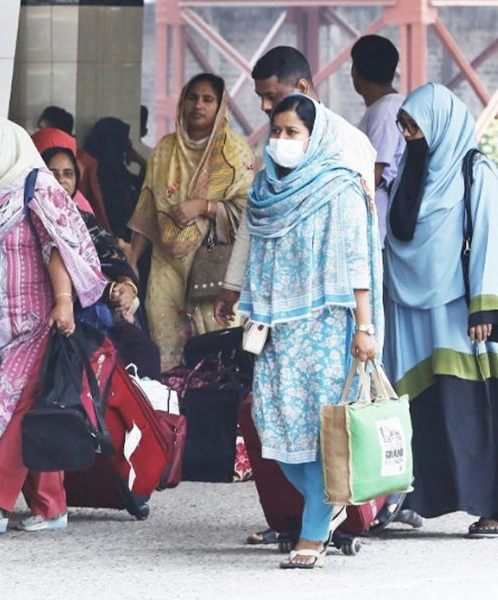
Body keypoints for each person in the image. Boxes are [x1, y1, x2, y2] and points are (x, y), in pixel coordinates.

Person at [242, 94, 380, 568]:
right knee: (273, 426)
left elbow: (357, 261)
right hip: (277, 328)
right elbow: (254, 251)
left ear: (314, 136)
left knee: (322, 432)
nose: (281, 140)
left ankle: (314, 531)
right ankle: (331, 499)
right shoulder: (265, 189)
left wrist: (364, 327)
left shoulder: (339, 186)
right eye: (276, 131)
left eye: (292, 132)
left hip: (326, 327)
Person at [0, 114, 106, 534]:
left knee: (18, 407)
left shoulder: (35, 186)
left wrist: (63, 302)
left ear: (3, 149)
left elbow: (57, 247)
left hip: (40, 320)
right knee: (24, 407)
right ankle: (51, 505)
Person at [383, 83, 498, 536]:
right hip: (407, 310)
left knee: (469, 409)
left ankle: (490, 505)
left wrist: (484, 309)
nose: (409, 135)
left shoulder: (476, 170)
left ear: (440, 125)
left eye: (416, 127)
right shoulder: (409, 172)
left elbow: (489, 238)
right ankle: (410, 500)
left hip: (457, 311)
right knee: (417, 409)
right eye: (404, 127)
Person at [214, 46, 377, 329]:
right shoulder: (273, 144)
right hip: (273, 300)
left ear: (301, 88)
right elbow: (257, 217)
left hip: (325, 308)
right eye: (260, 97)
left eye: (272, 96)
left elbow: (357, 239)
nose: (264, 106)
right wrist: (233, 285)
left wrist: (363, 325)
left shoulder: (346, 141)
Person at [126, 73, 255, 371]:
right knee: (165, 346)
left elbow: (248, 213)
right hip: (166, 263)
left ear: (220, 107)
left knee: (214, 350)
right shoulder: (165, 149)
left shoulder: (234, 153)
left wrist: (203, 207)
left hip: (213, 266)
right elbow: (147, 204)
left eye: (208, 99)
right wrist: (132, 257)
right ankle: (172, 399)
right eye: (193, 98)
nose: (198, 105)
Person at [42, 145, 160, 378]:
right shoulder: (34, 219)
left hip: (98, 310)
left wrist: (127, 286)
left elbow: (114, 260)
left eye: (68, 174)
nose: (61, 181)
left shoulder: (84, 220)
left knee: (143, 352)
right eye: (52, 174)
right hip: (57, 315)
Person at [351, 35, 406, 247]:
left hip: (381, 228)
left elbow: (374, 172)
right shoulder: (395, 104)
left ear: (355, 71)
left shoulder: (385, 110)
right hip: (386, 227)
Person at [77, 117, 143, 239]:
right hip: (112, 237)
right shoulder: (97, 170)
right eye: (123, 141)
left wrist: (139, 160)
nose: (126, 145)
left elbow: (143, 185)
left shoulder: (114, 167)